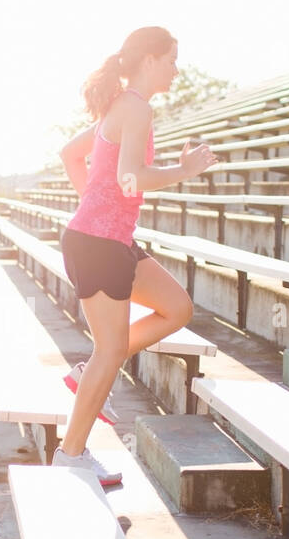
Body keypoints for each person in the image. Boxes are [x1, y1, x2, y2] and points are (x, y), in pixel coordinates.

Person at [57, 27, 218, 486]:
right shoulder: (136, 108)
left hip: (109, 240)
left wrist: (96, 204)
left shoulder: (122, 106)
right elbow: (132, 177)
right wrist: (184, 171)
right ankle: (70, 456)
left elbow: (70, 155)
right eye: (171, 59)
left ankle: (91, 372)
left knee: (177, 308)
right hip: (98, 244)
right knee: (111, 350)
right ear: (149, 60)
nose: (176, 68)